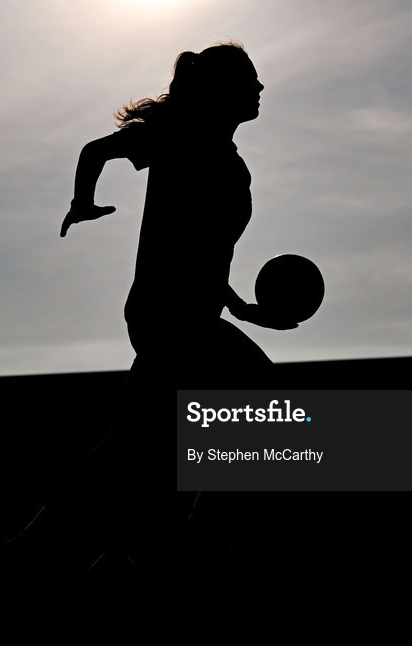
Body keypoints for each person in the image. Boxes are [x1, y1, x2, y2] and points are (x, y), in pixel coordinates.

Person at [61, 40, 296, 394]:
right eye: (251, 79)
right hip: (168, 322)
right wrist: (82, 203)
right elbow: (95, 151)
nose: (260, 87)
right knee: (266, 397)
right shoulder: (179, 138)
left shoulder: (232, 167)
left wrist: (240, 309)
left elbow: (200, 257)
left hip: (191, 320)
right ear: (223, 87)